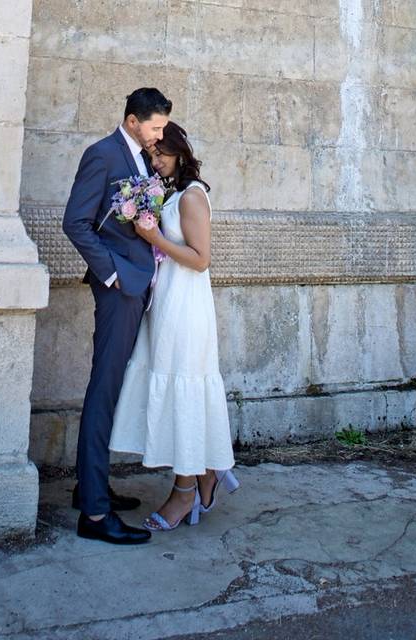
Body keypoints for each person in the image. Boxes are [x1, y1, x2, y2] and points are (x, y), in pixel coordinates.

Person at [109, 121, 239, 532]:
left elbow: (201, 259)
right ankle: (205, 472)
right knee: (171, 386)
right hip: (167, 303)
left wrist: (153, 237)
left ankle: (186, 490)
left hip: (187, 307)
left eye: (161, 154)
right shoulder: (170, 193)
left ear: (180, 152)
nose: (155, 161)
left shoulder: (192, 196)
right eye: (151, 155)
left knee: (185, 386)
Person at [62, 87, 172, 545]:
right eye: (155, 126)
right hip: (119, 291)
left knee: (113, 387)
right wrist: (112, 276)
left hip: (139, 286)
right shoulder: (102, 155)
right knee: (104, 389)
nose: (159, 135)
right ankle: (93, 515)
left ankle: (90, 486)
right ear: (132, 120)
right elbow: (75, 222)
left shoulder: (142, 160)